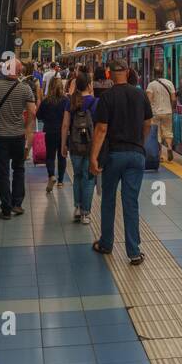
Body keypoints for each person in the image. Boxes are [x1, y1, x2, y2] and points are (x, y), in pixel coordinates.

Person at [90, 58, 152, 265]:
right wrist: (140, 144)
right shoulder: (140, 94)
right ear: (127, 71)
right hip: (136, 155)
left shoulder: (106, 97)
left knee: (108, 199)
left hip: (114, 155)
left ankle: (106, 244)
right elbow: (147, 124)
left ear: (109, 74)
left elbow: (101, 129)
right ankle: (134, 252)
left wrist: (93, 156)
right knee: (130, 202)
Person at [0, 60, 37, 219]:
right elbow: (32, 111)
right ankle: (17, 204)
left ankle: (6, 209)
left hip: (0, 136)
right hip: (18, 136)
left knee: (3, 173)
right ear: (19, 71)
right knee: (19, 169)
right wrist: (26, 126)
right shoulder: (25, 88)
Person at [62, 72, 99, 222]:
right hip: (91, 145)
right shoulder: (95, 102)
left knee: (77, 176)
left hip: (75, 145)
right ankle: (86, 213)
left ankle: (77, 207)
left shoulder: (70, 101)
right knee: (89, 178)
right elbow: (99, 127)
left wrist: (63, 144)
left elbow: (65, 125)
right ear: (89, 85)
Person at [38, 76, 68, 192]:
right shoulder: (66, 101)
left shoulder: (46, 101)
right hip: (63, 132)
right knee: (62, 156)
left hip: (50, 131)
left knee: (50, 156)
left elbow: (39, 116)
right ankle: (60, 181)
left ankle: (51, 175)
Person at [146, 65, 177, 162]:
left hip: (155, 113)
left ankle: (159, 156)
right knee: (168, 131)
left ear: (153, 73)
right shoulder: (169, 83)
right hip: (168, 111)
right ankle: (169, 147)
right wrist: (172, 108)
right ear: (163, 73)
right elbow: (173, 99)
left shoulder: (151, 85)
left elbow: (148, 100)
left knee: (157, 133)